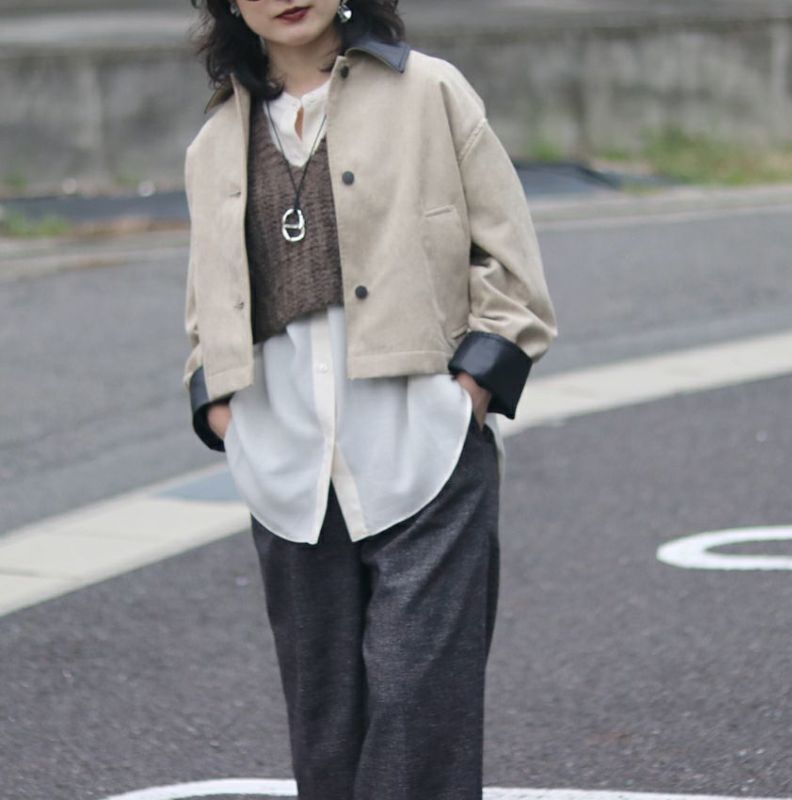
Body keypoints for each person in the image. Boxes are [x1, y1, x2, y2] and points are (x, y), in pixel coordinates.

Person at [183, 1, 557, 798]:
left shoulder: (431, 92)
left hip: (425, 449)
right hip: (287, 468)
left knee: (420, 712)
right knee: (325, 734)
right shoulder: (214, 142)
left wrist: (467, 392)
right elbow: (204, 306)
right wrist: (223, 414)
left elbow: (512, 271)